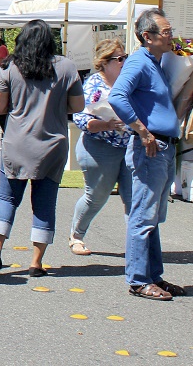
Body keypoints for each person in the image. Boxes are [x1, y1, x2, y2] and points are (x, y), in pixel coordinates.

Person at [0, 20, 84, 278]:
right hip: (53, 144)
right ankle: (36, 261)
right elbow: (78, 106)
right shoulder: (66, 67)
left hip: (17, 142)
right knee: (45, 203)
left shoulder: (9, 67)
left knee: (6, 198)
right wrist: (54, 105)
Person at [109, 8, 188, 301]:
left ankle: (153, 276)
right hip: (151, 149)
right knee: (143, 217)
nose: (171, 36)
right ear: (147, 36)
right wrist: (142, 131)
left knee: (152, 217)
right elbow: (117, 96)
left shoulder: (156, 62)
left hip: (164, 148)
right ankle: (139, 280)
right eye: (166, 32)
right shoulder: (139, 62)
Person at [68, 39, 132, 256]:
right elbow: (80, 118)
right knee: (97, 195)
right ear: (104, 62)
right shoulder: (94, 85)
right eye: (119, 58)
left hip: (130, 145)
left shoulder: (129, 81)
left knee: (134, 197)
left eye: (126, 57)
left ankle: (137, 245)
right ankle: (76, 235)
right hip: (99, 146)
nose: (124, 62)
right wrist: (106, 124)